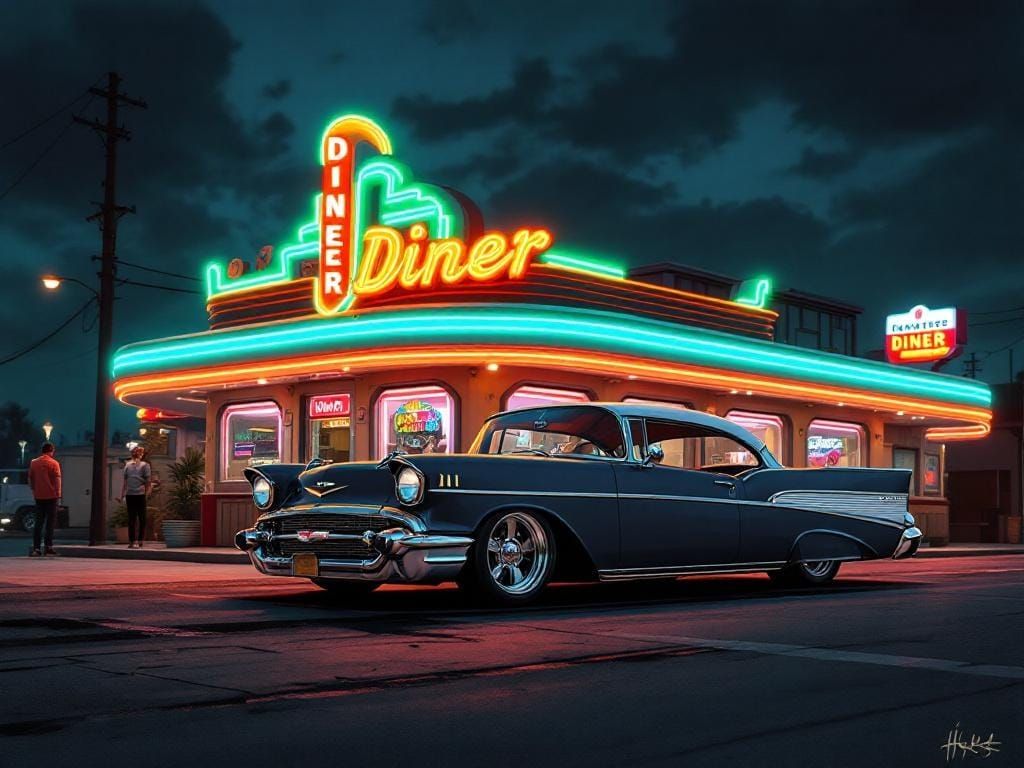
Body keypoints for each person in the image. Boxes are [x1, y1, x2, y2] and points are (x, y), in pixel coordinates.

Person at [27, 443, 61, 556]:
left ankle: (36, 548)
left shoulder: (34, 463)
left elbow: (30, 479)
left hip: (39, 496)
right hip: (51, 496)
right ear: (52, 451)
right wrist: (58, 495)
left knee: (39, 523)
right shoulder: (54, 463)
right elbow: (57, 480)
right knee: (50, 523)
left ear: (42, 451)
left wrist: (34, 490)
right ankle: (48, 547)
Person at [117, 446, 152, 548]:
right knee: (141, 518)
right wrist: (147, 494)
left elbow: (125, 482)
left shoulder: (128, 465)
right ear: (142, 454)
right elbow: (148, 482)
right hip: (139, 494)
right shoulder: (144, 465)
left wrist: (122, 495)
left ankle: (132, 541)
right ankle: (139, 540)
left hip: (131, 494)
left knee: (132, 518)